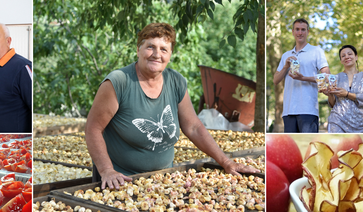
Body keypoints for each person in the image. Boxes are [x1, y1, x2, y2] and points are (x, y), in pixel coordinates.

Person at [85, 23, 259, 190]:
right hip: (121, 181)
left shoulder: (175, 81)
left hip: (164, 180)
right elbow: (93, 128)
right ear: (138, 49)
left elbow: (194, 127)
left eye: (163, 49)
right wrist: (107, 170)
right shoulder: (119, 82)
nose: (156, 54)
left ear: (170, 55)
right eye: (150, 47)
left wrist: (226, 162)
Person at [273, 18, 330, 133]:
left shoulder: (316, 51)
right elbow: (275, 80)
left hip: (308, 110)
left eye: (303, 30)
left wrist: (303, 78)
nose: (300, 33)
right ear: (293, 32)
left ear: (308, 32)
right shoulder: (286, 55)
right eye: (297, 29)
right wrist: (285, 67)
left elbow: (326, 77)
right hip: (288, 111)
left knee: (308, 145)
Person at [324, 45, 363, 132]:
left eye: (350, 54)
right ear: (341, 61)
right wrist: (330, 95)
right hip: (338, 121)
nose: (347, 57)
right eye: (343, 56)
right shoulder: (335, 78)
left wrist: (347, 94)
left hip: (360, 123)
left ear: (356, 57)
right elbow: (333, 104)